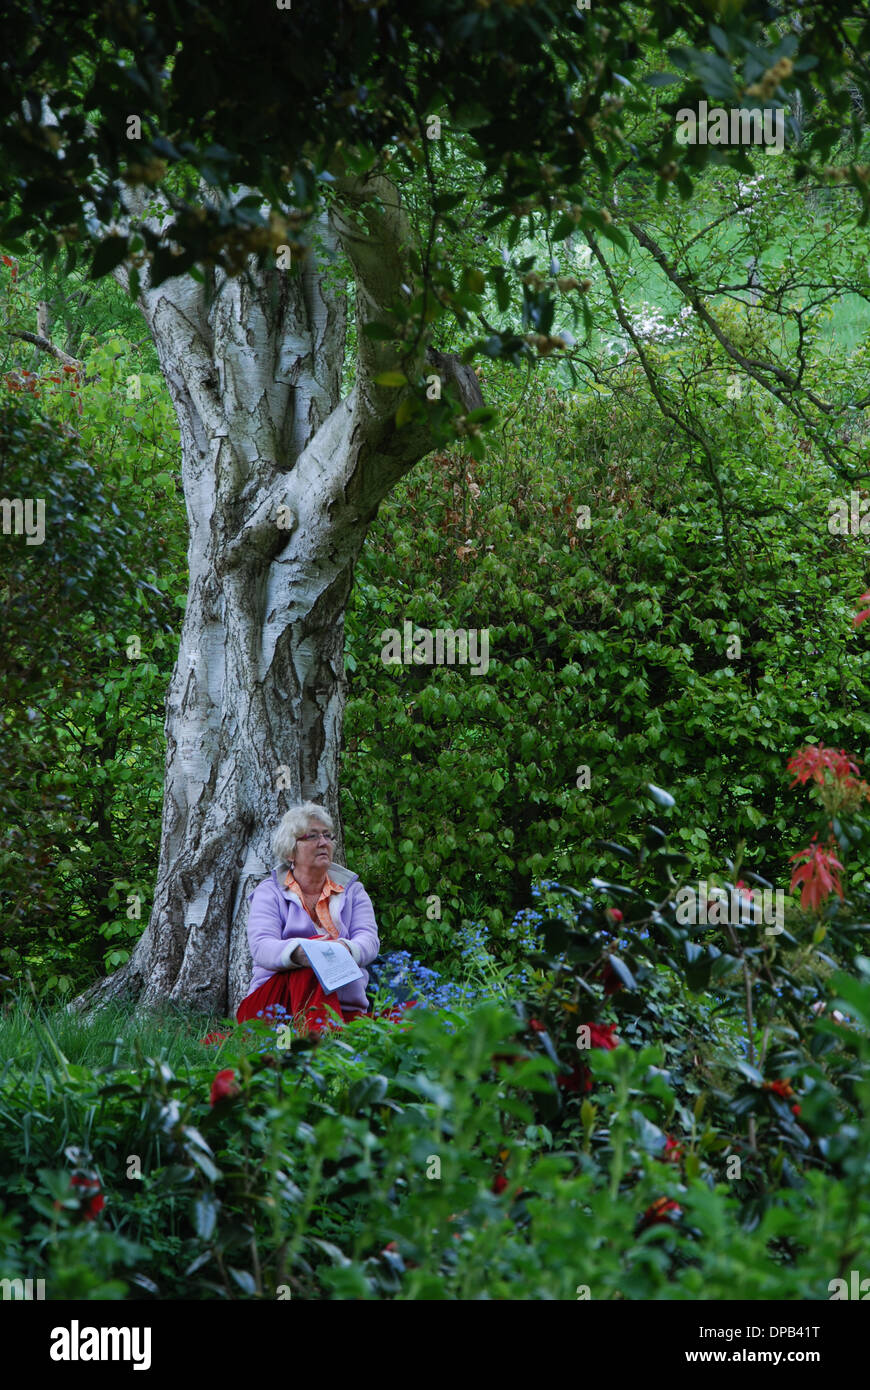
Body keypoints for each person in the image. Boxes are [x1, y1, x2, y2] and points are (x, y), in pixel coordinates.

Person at [236, 802, 379, 1035]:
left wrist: (343, 949)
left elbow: (369, 942)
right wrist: (303, 953)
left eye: (327, 836)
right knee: (312, 964)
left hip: (344, 1003)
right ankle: (319, 1042)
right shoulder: (269, 891)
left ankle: (329, 1031)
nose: (323, 843)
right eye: (312, 836)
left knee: (407, 1020)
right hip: (275, 1005)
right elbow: (262, 947)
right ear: (291, 851)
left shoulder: (353, 890)